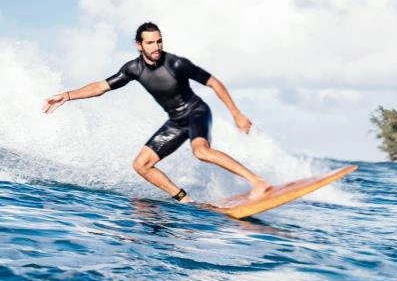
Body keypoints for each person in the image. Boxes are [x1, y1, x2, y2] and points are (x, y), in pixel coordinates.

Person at [43, 22, 270, 203]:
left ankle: (257, 181)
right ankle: (184, 199)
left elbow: (213, 82)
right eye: (150, 42)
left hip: (196, 111)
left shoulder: (176, 64)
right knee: (141, 165)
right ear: (138, 45)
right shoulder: (133, 68)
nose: (156, 47)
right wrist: (68, 95)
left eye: (159, 41)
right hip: (176, 120)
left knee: (201, 151)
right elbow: (101, 87)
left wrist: (236, 113)